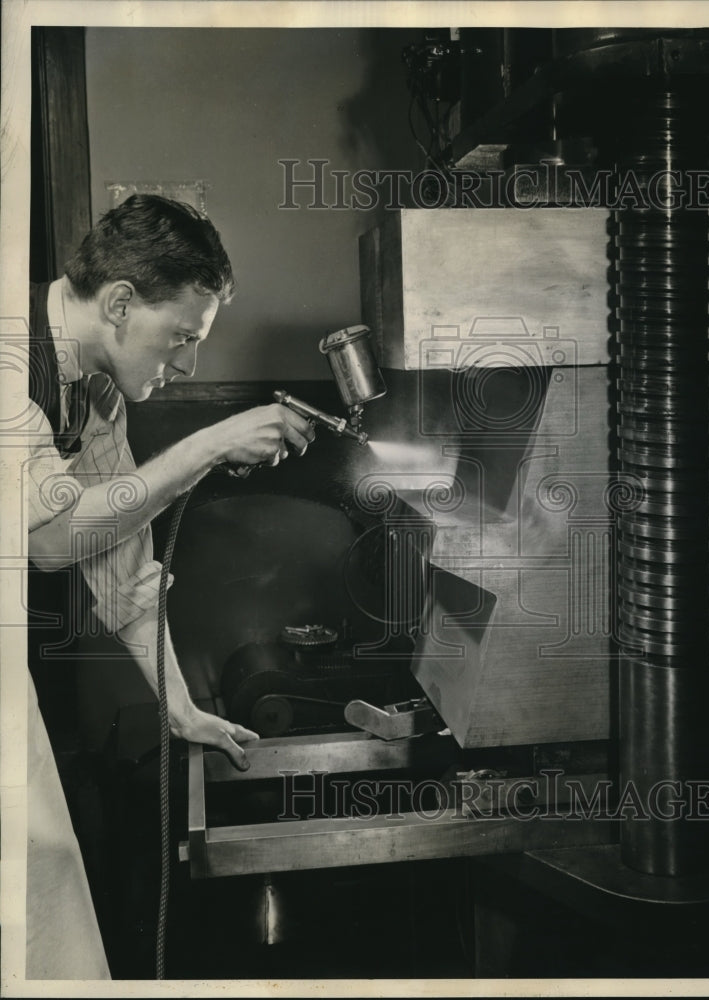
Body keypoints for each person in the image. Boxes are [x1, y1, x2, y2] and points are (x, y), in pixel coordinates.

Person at [25, 193, 315, 977]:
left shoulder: (93, 390)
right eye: (180, 337)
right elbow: (51, 539)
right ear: (120, 303)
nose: (187, 364)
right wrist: (210, 443)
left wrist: (181, 709)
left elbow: (118, 568)